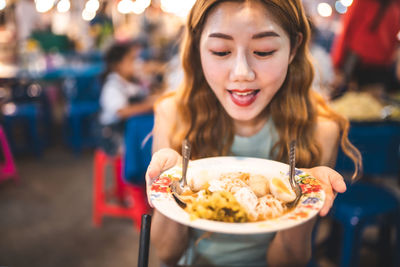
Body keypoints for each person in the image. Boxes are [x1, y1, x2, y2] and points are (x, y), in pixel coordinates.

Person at [145, 1, 362, 266]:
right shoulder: (174, 115)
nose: (242, 73)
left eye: (263, 51)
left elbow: (288, 260)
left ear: (293, 48)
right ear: (197, 48)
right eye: (221, 51)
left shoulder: (319, 130)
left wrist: (303, 204)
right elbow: (168, 253)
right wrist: (171, 184)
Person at [98, 40, 159, 156]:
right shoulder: (112, 86)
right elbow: (122, 111)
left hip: (127, 129)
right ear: (118, 65)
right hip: (113, 135)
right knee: (150, 137)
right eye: (131, 60)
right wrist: (150, 105)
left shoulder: (130, 81)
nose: (136, 63)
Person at [330, 0, 400, 96]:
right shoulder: (363, 2)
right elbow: (347, 28)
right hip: (358, 61)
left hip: (379, 65)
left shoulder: (396, 5)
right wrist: (338, 63)